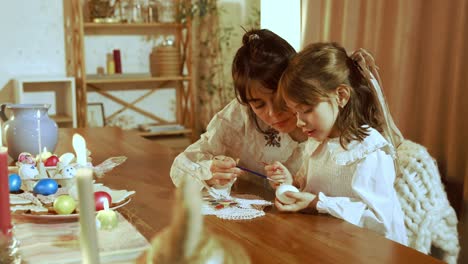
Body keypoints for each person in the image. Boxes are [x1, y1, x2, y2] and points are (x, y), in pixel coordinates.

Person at [266, 42, 408, 245]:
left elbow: (379, 222)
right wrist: (291, 186)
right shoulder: (316, 142)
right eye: (295, 112)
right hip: (327, 243)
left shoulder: (369, 151)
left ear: (341, 96)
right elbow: (310, 191)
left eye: (305, 110)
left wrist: (317, 203)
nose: (299, 121)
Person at [170, 29, 308, 194]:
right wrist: (209, 173)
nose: (272, 114)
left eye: (280, 100)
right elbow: (182, 166)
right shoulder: (242, 113)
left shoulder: (325, 115)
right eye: (259, 105)